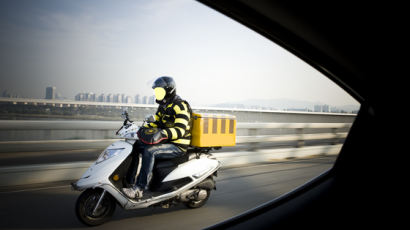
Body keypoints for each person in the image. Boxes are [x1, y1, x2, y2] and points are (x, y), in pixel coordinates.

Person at [122, 76, 192, 199]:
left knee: (150, 151)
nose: (157, 93)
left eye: (159, 91)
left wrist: (162, 133)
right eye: (156, 91)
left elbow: (180, 130)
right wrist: (140, 128)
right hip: (166, 141)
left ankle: (140, 188)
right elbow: (157, 123)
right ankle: (129, 180)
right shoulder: (163, 106)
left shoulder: (180, 106)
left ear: (169, 90)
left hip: (178, 145)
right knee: (136, 146)